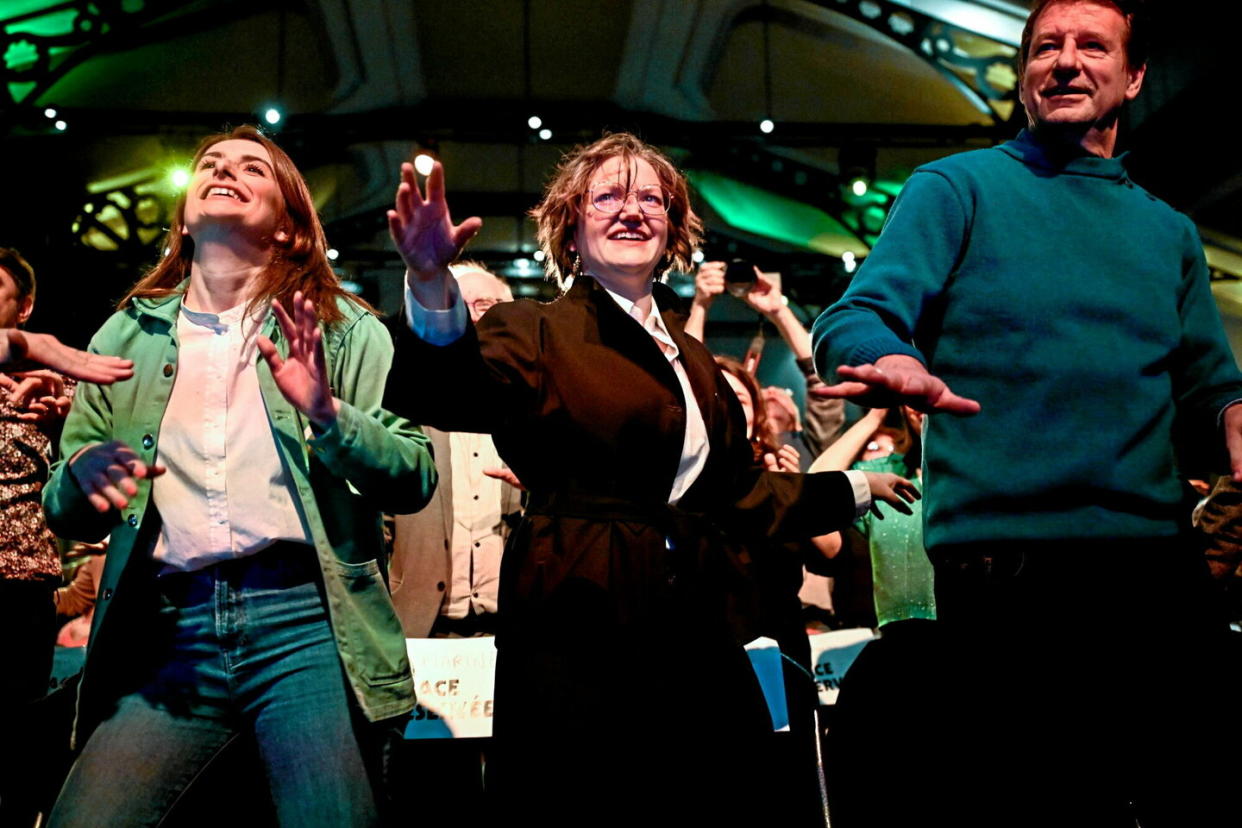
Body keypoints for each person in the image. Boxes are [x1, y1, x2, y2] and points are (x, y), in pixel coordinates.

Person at [382, 132, 917, 823]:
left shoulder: (697, 362)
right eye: (607, 196)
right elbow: (451, 393)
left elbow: (741, 496)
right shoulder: (532, 329)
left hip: (695, 627)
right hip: (574, 625)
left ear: (672, 230)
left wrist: (855, 488)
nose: (631, 210)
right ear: (570, 227)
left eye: (650, 199)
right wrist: (429, 282)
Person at [813, 1, 1241, 824]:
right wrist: (888, 355)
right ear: (1023, 76)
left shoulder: (1170, 233)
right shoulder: (958, 188)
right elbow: (857, 314)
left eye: (1092, 47)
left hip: (1155, 574)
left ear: (1135, 76)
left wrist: (1232, 409)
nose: (1067, 62)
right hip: (1011, 582)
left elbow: (1209, 382)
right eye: (1047, 47)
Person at [42, 125, 435, 827]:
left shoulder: (344, 330)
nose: (225, 170)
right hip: (170, 630)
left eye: (254, 168)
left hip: (306, 622)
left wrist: (327, 414)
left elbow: (413, 475)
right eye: (211, 166)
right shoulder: (123, 338)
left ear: (288, 228)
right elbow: (67, 510)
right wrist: (80, 474)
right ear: (185, 219)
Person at [388, 263, 522, 639]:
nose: (467, 319)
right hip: (421, 627)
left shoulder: (533, 409)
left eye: (483, 305)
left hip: (515, 628)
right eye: (455, 307)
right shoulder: (408, 409)